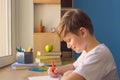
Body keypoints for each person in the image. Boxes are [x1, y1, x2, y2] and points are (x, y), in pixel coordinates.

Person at [48, 9, 119, 80]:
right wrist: (57, 70)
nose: (68, 46)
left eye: (69, 40)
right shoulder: (87, 52)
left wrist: (68, 74)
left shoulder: (99, 54)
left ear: (82, 32)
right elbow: (74, 66)